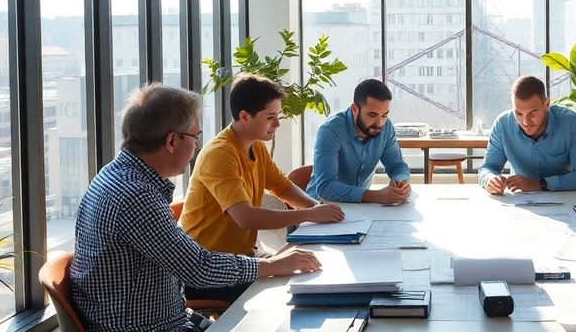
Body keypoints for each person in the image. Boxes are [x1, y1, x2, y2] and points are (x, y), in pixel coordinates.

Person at [71, 83, 321, 332]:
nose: (197, 146)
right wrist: (274, 264)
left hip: (168, 313)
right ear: (172, 140)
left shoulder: (115, 175)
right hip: (148, 326)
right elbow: (198, 267)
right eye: (195, 137)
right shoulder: (136, 196)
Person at [179, 75, 344, 303]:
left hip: (241, 258)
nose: (277, 124)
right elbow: (246, 218)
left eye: (278, 116)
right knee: (284, 293)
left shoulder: (255, 145)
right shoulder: (220, 153)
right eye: (270, 117)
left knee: (311, 267)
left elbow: (282, 187)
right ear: (245, 117)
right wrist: (310, 214)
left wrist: (319, 209)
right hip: (206, 268)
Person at [479, 75, 576, 194]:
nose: (525, 122)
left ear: (546, 103)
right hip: (521, 200)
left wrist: (539, 184)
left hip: (563, 197)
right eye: (518, 113)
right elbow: (487, 168)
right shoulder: (502, 125)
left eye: (532, 113)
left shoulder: (571, 123)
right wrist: (489, 179)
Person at [307, 78, 412, 204]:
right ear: (354, 109)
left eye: (384, 115)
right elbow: (326, 187)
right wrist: (375, 196)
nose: (379, 123)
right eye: (372, 115)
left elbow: (397, 166)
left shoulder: (386, 127)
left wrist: (401, 182)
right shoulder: (330, 131)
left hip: (360, 208)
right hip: (321, 207)